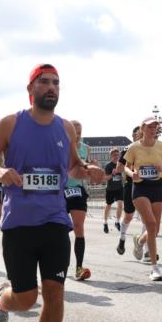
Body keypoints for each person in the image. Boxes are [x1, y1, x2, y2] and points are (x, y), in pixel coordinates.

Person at [0, 63, 104, 322]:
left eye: (56, 83)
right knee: (26, 298)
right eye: (44, 82)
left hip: (55, 221)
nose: (51, 88)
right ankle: (3, 300)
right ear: (31, 89)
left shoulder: (65, 128)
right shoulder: (10, 123)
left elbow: (73, 166)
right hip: (19, 224)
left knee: (54, 292)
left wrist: (89, 170)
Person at [124, 117, 162, 281]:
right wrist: (132, 173)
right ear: (142, 129)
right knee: (151, 224)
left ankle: (139, 241)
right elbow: (126, 167)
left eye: (155, 127)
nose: (153, 129)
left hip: (157, 186)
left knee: (155, 229)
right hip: (140, 187)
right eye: (150, 127)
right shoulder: (133, 147)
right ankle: (155, 268)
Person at [65, 120, 101, 281]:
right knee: (60, 229)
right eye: (74, 131)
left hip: (77, 189)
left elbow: (87, 169)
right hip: (60, 190)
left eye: (79, 131)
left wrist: (93, 167)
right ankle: (60, 265)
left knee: (79, 227)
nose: (77, 134)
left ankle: (79, 268)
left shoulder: (86, 148)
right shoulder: (61, 146)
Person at [115, 126, 142, 255]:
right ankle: (122, 238)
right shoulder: (128, 148)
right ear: (134, 136)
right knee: (128, 216)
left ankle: (147, 249)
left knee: (148, 218)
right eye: (139, 133)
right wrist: (130, 168)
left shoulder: (150, 147)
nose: (142, 135)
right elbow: (119, 168)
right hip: (131, 185)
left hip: (147, 186)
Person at [102, 148, 125, 233]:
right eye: (114, 155)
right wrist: (112, 174)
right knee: (108, 206)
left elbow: (123, 176)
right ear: (111, 156)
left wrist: (123, 176)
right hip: (110, 189)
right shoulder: (108, 166)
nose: (116, 156)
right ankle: (105, 222)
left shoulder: (120, 165)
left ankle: (117, 221)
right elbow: (105, 178)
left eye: (118, 155)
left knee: (120, 204)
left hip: (119, 188)